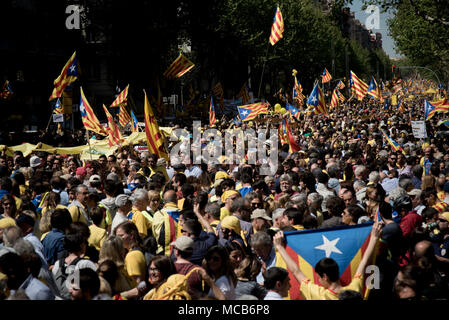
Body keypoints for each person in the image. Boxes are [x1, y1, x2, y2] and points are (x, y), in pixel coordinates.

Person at [272, 220, 383, 299]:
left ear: (325, 276)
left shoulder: (319, 295)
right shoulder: (354, 289)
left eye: (319, 277)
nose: (318, 280)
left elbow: (296, 271)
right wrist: (374, 238)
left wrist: (279, 247)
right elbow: (364, 263)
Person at [114, 221, 147, 299]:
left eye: (121, 236)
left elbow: (138, 287)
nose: (118, 240)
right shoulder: (133, 251)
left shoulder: (132, 255)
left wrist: (118, 297)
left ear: (131, 235)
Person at [152, 190, 180, 256]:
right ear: (176, 200)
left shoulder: (158, 214)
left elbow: (154, 234)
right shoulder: (183, 214)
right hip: (180, 252)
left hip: (162, 252)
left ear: (164, 201)